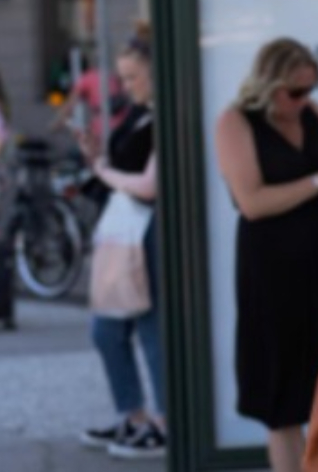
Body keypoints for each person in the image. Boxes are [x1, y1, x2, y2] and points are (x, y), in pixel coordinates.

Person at [214, 39, 318, 472]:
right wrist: (317, 183)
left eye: (310, 89)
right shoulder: (235, 122)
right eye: (295, 91)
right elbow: (252, 202)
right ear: (268, 84)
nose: (303, 99)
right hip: (273, 270)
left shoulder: (312, 112)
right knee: (280, 399)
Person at [76, 24, 168, 459]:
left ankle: (164, 422)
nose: (127, 86)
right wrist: (96, 155)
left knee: (149, 327)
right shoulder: (137, 113)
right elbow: (126, 170)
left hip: (148, 229)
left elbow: (149, 185)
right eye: (123, 78)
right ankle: (133, 415)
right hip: (125, 229)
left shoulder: (165, 114)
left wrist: (104, 172)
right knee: (107, 328)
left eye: (134, 77)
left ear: (155, 72)